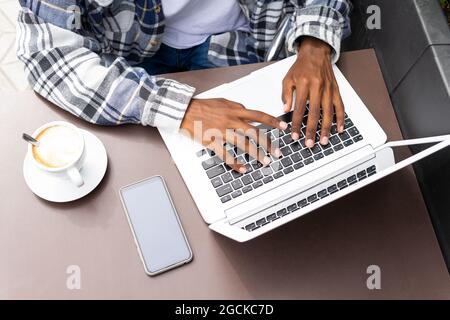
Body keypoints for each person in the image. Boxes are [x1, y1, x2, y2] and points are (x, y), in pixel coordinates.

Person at [17, 0, 352, 173]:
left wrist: (315, 40)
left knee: (253, 157)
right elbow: (47, 55)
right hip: (128, 56)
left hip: (239, 40)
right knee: (154, 170)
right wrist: (182, 109)